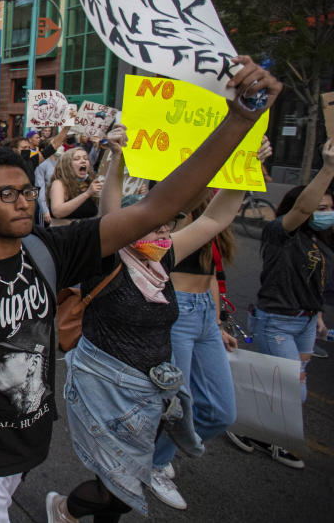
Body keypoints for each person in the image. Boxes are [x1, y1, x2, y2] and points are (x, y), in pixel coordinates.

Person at [0, 56, 281, 522]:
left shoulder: (49, 249)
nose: (23, 201)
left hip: (28, 439)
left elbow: (158, 206)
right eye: (6, 194)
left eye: (26, 191)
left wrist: (241, 118)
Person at [47, 128, 258, 522]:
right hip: (104, 386)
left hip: (150, 391)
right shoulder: (106, 258)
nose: (165, 232)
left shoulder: (165, 258)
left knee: (121, 480)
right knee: (119, 486)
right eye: (156, 225)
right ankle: (64, 509)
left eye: (168, 227)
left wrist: (246, 170)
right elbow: (110, 213)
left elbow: (216, 218)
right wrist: (117, 161)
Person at [148, 137, 272, 510]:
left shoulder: (214, 213)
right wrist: (228, 154)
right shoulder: (172, 207)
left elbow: (213, 270)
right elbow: (192, 210)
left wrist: (216, 322)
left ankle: (156, 454)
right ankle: (153, 462)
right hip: (178, 312)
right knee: (175, 404)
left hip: (203, 313)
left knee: (220, 411)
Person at [226, 138, 334, 470]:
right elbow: (302, 209)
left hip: (303, 325)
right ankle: (260, 432)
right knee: (293, 390)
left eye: (329, 208)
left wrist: (315, 314)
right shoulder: (279, 232)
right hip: (276, 322)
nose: (324, 213)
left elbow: (313, 282)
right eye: (319, 208)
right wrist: (328, 166)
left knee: (279, 383)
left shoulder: (319, 240)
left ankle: (266, 436)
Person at [49, 147, 102, 226]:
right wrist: (87, 194)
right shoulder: (59, 183)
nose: (83, 161)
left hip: (88, 234)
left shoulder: (90, 183)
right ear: (67, 164)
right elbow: (57, 212)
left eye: (86, 158)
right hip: (64, 234)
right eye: (77, 159)